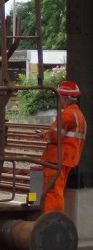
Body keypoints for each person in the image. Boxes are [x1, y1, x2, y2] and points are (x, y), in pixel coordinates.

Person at [41, 80, 86, 212]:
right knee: (57, 190)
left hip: (56, 159)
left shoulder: (67, 114)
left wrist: (45, 135)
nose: (58, 100)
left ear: (64, 97)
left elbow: (54, 135)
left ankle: (52, 222)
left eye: (59, 96)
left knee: (52, 192)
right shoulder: (78, 114)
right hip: (67, 159)